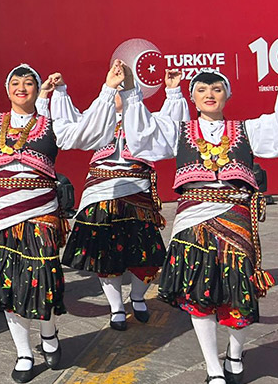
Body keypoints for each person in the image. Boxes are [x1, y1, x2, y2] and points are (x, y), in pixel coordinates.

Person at [118, 54, 278, 384]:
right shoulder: (178, 131)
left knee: (239, 290)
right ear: (193, 97)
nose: (209, 94)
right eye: (202, 89)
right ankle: (212, 366)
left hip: (235, 218)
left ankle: (235, 352)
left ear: (227, 95)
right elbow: (143, 137)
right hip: (193, 221)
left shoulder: (247, 130)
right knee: (199, 294)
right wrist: (130, 90)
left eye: (217, 88)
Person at [0, 62, 119, 384]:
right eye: (15, 83)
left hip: (39, 213)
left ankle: (49, 331)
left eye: (28, 83)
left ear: (36, 89)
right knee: (7, 284)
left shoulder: (53, 124)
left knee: (42, 279)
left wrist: (108, 88)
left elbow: (88, 132)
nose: (21, 87)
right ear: (7, 90)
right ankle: (23, 352)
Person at [47, 69, 187, 331]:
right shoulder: (97, 118)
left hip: (137, 191)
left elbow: (172, 128)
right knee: (106, 255)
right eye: (116, 89)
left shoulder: (147, 120)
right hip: (102, 192)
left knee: (146, 254)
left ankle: (137, 297)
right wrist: (61, 91)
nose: (118, 94)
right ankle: (116, 307)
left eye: (125, 89)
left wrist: (173, 92)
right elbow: (69, 126)